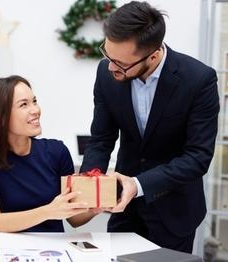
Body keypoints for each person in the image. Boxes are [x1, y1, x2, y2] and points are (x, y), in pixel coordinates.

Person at [80, 1, 219, 253]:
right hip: (124, 213)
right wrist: (90, 183)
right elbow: (101, 138)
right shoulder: (106, 74)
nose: (111, 67)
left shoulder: (199, 80)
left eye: (120, 63)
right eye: (107, 55)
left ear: (153, 55)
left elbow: (197, 157)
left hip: (175, 213)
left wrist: (138, 184)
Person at [0, 75, 102, 233]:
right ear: (1, 117)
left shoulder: (57, 152)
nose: (36, 110)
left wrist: (95, 208)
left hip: (52, 250)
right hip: (9, 250)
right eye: (24, 105)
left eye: (34, 101)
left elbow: (73, 218)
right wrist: (48, 211)